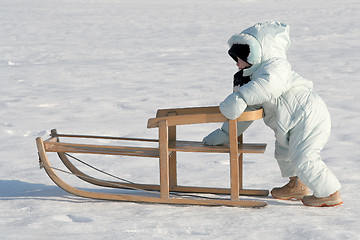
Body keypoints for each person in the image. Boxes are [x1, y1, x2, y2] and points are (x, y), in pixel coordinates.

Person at [203, 21, 342, 207]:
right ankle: (296, 185)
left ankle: (329, 192)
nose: (237, 64)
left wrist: (242, 96)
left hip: (307, 114)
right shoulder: (253, 79)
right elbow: (248, 110)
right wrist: (227, 133)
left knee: (304, 157)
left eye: (239, 58)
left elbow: (270, 86)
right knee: (283, 154)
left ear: (253, 53)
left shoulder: (275, 67)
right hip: (288, 122)